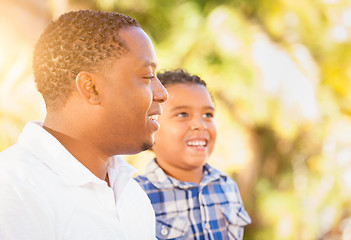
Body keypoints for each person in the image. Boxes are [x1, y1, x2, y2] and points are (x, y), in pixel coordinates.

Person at [0, 10, 168, 239]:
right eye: (147, 77)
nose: (162, 93)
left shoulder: (132, 196)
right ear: (91, 88)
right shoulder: (13, 188)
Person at [135, 69, 251, 240]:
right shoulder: (137, 196)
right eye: (182, 114)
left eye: (207, 115)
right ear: (151, 126)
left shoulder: (227, 186)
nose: (200, 124)